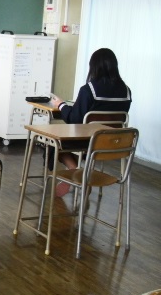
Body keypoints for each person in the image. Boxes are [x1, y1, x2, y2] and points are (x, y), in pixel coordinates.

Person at [50, 47, 132, 196]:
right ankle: (80, 174)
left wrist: (61, 105)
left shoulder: (89, 89)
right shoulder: (126, 91)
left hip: (88, 143)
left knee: (53, 143)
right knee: (69, 143)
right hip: (113, 144)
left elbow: (74, 119)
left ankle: (78, 174)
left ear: (94, 67)